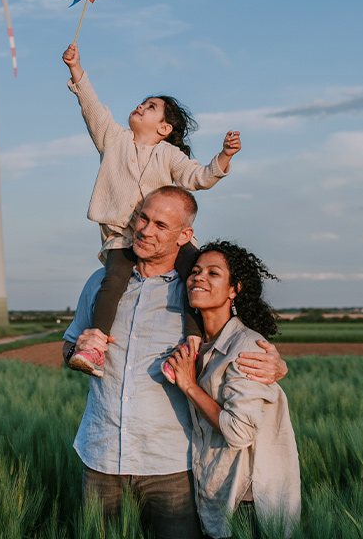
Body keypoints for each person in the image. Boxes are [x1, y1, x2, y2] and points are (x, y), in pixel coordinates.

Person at [62, 187, 288, 539]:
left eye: (161, 225)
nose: (145, 230)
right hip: (99, 456)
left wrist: (279, 364)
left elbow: (239, 343)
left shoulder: (197, 293)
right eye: (143, 218)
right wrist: (74, 352)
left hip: (171, 466)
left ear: (184, 236)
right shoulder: (100, 285)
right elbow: (70, 346)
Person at [62, 42, 241, 379]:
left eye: (151, 106)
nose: (140, 106)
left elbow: (198, 176)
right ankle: (95, 345)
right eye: (142, 103)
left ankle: (191, 346)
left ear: (164, 128)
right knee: (112, 282)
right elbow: (93, 109)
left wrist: (224, 157)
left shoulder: (169, 155)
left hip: (164, 236)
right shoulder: (113, 138)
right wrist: (76, 70)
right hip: (121, 234)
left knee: (193, 272)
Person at [166, 241, 301, 539]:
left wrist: (189, 385)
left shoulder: (248, 346)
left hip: (246, 506)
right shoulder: (201, 345)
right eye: (196, 271)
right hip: (216, 496)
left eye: (214, 273)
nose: (199, 277)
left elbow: (239, 432)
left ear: (234, 290)